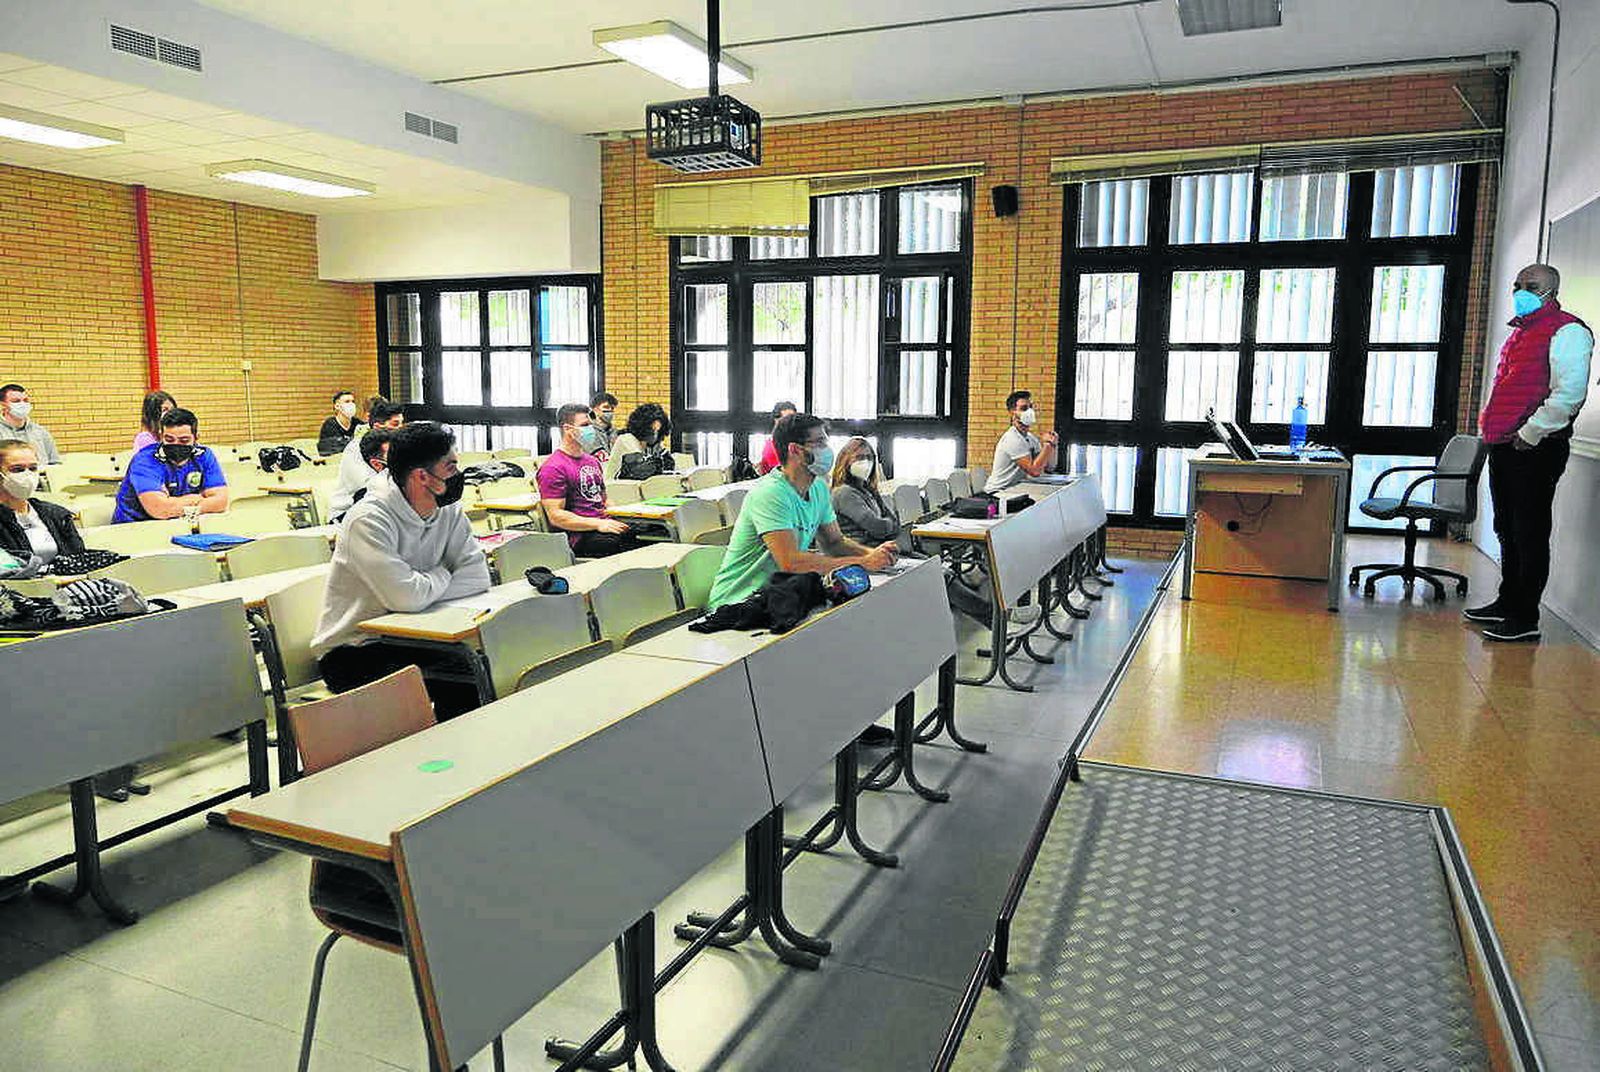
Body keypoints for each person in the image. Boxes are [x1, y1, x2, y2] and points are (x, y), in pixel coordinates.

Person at [311, 422, 491, 718]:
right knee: (464, 674)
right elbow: (406, 598)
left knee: (480, 664)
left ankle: (460, 743)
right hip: (354, 649)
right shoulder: (367, 520)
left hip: (420, 634)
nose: (458, 474)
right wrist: (445, 572)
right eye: (451, 467)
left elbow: (477, 576)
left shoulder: (448, 509)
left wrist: (422, 587)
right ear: (422, 476)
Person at [1466, 263, 1593, 643]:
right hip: (1505, 444)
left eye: (1531, 285)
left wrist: (1531, 432)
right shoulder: (1521, 332)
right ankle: (1507, 602)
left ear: (1552, 290)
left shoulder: (1568, 331)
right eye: (1517, 284)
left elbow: (1569, 394)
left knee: (1529, 532)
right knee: (1506, 527)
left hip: (1535, 447)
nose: (1521, 291)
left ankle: (1525, 617)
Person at [708, 413, 897, 611]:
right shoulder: (770, 493)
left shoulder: (818, 487)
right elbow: (792, 563)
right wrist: (863, 562)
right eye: (820, 443)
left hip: (780, 597)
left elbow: (835, 542)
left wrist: (875, 555)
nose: (827, 450)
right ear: (795, 450)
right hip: (737, 603)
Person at [539, 403, 643, 557]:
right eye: (584, 425)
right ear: (567, 429)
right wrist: (598, 524)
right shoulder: (553, 467)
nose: (590, 430)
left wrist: (620, 513)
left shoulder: (592, 461)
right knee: (620, 543)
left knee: (644, 534)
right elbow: (556, 516)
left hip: (602, 524)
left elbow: (603, 499)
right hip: (580, 535)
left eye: (591, 425)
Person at [111, 407, 229, 523]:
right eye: (169, 439)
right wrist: (197, 498)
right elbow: (160, 510)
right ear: (161, 436)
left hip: (178, 524)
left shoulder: (203, 455)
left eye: (184, 440)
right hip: (133, 526)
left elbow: (221, 502)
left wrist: (173, 504)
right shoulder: (145, 460)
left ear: (196, 438)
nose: (176, 444)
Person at [0, 441, 83, 570]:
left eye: (33, 468)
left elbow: (79, 556)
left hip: (67, 580)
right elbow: (8, 570)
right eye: (17, 469)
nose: (28, 475)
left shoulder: (57, 515)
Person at [330, 399, 405, 519]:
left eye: (402, 423)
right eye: (395, 424)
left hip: (383, 505)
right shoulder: (355, 448)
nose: (401, 429)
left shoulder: (397, 446)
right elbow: (364, 488)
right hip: (348, 511)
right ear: (377, 427)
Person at [829, 437, 902, 546]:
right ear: (845, 461)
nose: (866, 462)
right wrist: (888, 525)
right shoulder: (844, 492)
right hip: (856, 553)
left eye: (869, 457)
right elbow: (878, 528)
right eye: (859, 457)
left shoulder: (869, 490)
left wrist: (887, 526)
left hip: (876, 549)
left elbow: (896, 526)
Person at [983, 389, 1059, 493]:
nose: (1029, 412)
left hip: (1014, 491)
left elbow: (1049, 467)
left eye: (1030, 407)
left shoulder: (1031, 438)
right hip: (997, 493)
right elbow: (1035, 471)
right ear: (1012, 412)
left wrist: (1053, 444)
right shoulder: (1012, 439)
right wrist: (1047, 445)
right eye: (1024, 408)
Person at [609, 402, 674, 480]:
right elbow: (639, 468)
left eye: (658, 431)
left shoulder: (652, 444)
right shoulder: (626, 439)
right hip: (615, 484)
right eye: (652, 429)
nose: (655, 434)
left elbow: (668, 463)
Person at [0, 383, 60, 465]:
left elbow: (55, 462)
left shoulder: (40, 431)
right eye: (16, 401)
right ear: (3, 405)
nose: (22, 404)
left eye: (25, 400)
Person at [755, 401, 798, 475]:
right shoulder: (773, 446)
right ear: (776, 420)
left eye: (793, 419)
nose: (792, 422)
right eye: (787, 419)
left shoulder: (796, 440)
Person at [317, 390, 364, 456]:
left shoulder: (359, 424)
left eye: (353, 401)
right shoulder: (329, 425)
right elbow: (328, 448)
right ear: (337, 406)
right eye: (347, 401)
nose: (351, 404)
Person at [590, 390, 619, 460]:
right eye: (606, 407)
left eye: (612, 408)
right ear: (595, 410)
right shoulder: (589, 432)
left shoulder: (615, 432)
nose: (610, 410)